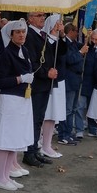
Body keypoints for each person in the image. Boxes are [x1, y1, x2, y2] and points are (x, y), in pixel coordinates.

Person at [0, 19, 33, 191]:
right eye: (18, 32)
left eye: (23, 31)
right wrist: (20, 79)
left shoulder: (24, 50)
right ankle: (0, 177)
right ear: (11, 35)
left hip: (22, 100)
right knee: (6, 140)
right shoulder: (7, 53)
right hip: (10, 100)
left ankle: (7, 175)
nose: (22, 35)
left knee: (14, 140)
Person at [22, 11, 63, 168]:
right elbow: (32, 62)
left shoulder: (41, 34)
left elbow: (56, 52)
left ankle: (34, 149)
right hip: (37, 84)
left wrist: (58, 34)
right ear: (30, 18)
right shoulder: (30, 35)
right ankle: (29, 152)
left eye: (43, 15)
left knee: (39, 119)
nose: (42, 18)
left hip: (45, 84)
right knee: (33, 119)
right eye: (38, 15)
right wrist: (46, 72)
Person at [40, 14, 67, 158]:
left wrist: (61, 34)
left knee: (52, 115)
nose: (60, 25)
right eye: (57, 23)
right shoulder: (44, 40)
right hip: (46, 81)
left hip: (58, 81)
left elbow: (63, 51)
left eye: (61, 23)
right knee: (43, 114)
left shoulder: (59, 40)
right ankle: (39, 142)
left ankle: (47, 144)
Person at [58, 23, 83, 145]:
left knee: (73, 108)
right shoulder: (65, 43)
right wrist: (80, 53)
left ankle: (69, 131)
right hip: (69, 79)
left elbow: (81, 46)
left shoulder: (73, 43)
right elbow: (69, 59)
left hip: (75, 80)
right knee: (67, 109)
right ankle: (63, 134)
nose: (77, 33)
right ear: (70, 31)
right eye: (76, 31)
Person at [80, 29, 97, 138]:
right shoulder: (86, 48)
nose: (94, 41)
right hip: (85, 80)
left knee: (93, 106)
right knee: (81, 106)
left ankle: (93, 128)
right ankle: (79, 128)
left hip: (96, 82)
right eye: (92, 39)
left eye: (96, 39)